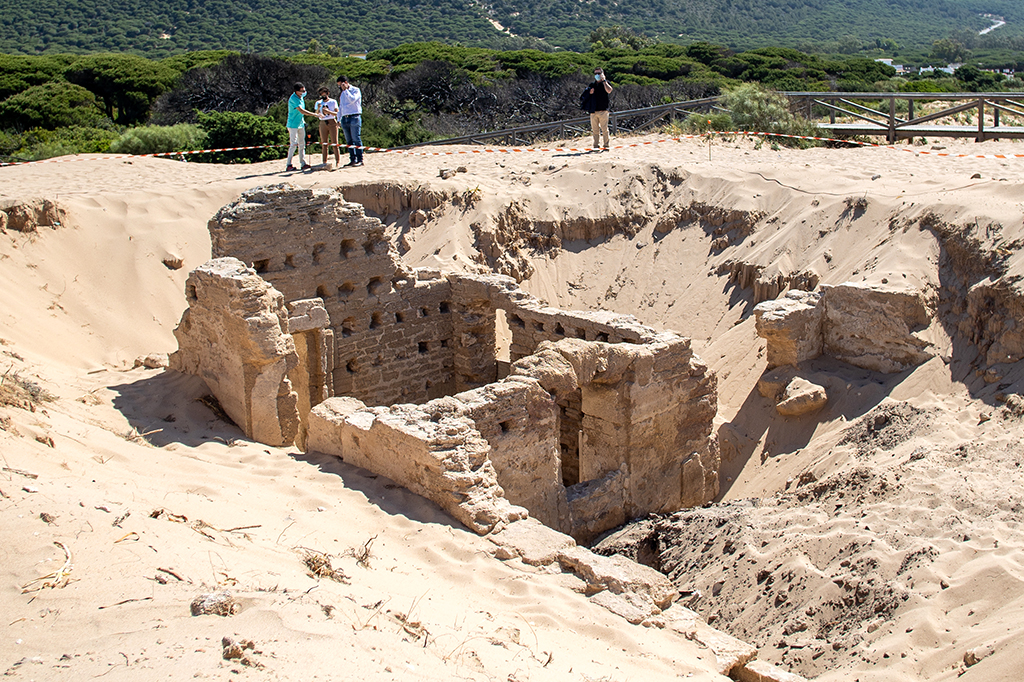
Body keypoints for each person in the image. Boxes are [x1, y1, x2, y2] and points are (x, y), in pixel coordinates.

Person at [286, 82, 316, 171]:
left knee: (302, 144)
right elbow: (302, 111)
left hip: (300, 124)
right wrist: (314, 115)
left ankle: (303, 163)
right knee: (293, 144)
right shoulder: (293, 99)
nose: (304, 92)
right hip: (293, 124)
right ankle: (289, 164)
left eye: (304, 90)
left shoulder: (301, 97)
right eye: (302, 91)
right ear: (296, 91)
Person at [581, 67, 613, 150]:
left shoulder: (606, 83)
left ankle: (606, 145)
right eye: (596, 74)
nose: (597, 75)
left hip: (603, 110)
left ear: (602, 73)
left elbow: (609, 90)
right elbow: (585, 96)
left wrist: (604, 81)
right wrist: (590, 93)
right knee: (595, 130)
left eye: (599, 73)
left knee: (604, 129)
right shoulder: (592, 85)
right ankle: (596, 146)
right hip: (593, 111)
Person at [336, 75, 364, 167]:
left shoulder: (355, 90)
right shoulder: (342, 93)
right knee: (349, 140)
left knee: (356, 138)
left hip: (354, 116)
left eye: (341, 85)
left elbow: (352, 100)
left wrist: (346, 90)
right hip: (345, 118)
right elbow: (341, 107)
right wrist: (338, 119)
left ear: (346, 83)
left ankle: (360, 159)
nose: (341, 87)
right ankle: (352, 159)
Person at [314, 86, 341, 168]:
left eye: (324, 94)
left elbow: (337, 113)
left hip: (332, 121)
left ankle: (337, 161)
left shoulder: (333, 102)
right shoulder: (318, 103)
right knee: (324, 143)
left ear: (327, 93)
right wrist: (318, 109)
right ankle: (324, 161)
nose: (323, 96)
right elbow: (316, 114)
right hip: (323, 122)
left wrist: (328, 111)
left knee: (334, 142)